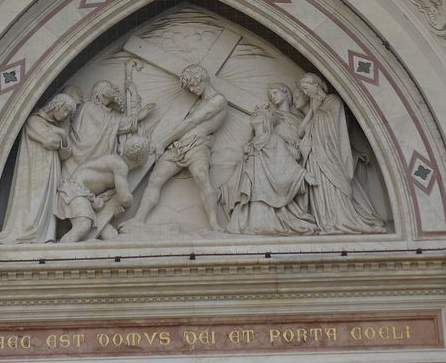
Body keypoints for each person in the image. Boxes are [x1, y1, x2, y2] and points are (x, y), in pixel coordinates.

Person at [126, 64, 228, 230]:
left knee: (202, 177)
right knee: (155, 179)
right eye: (190, 87)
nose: (192, 90)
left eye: (194, 85)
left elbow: (191, 122)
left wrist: (163, 143)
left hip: (197, 144)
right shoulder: (198, 102)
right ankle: (138, 220)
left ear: (202, 79)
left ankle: (214, 224)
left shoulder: (218, 100)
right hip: (178, 146)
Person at [221, 84, 316, 235]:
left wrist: (303, 172)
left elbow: (290, 155)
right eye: (270, 94)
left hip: (284, 165)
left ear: (286, 92)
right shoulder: (258, 140)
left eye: (275, 92)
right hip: (265, 174)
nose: (272, 96)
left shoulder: (286, 128)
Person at [296, 73, 385, 233]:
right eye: (303, 89)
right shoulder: (314, 107)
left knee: (334, 186)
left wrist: (317, 111)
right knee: (320, 189)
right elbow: (301, 132)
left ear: (316, 84)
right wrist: (313, 111)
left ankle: (342, 219)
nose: (305, 92)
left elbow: (335, 128)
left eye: (306, 87)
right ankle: (328, 221)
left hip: (330, 155)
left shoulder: (333, 101)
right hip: (315, 155)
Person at [0, 92, 78, 244]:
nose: (65, 115)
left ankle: (45, 236)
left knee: (48, 203)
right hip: (35, 169)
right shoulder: (34, 120)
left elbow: (65, 154)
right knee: (34, 202)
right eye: (65, 110)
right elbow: (50, 142)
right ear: (56, 105)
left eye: (68, 113)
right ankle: (27, 234)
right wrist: (59, 135)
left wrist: (61, 133)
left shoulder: (56, 127)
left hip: (51, 170)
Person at [57, 134, 151, 242]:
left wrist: (114, 211)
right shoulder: (120, 165)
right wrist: (129, 200)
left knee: (110, 235)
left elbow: (107, 202)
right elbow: (125, 199)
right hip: (75, 190)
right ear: (141, 158)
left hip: (84, 196)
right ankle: (59, 250)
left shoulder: (116, 164)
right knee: (83, 225)